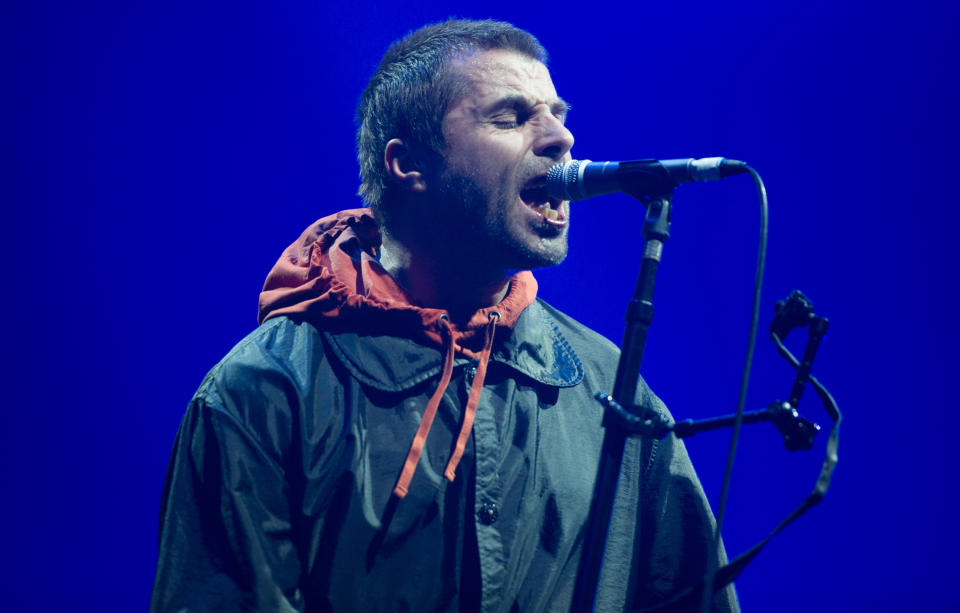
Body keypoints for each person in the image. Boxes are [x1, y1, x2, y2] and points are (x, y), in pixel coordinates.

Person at [150, 19, 739, 613]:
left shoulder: (607, 386)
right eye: (511, 117)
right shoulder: (265, 391)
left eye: (558, 115)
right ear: (408, 165)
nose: (561, 138)